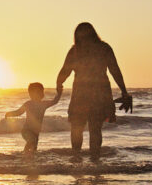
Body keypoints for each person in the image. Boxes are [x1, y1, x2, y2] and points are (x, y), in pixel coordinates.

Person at [56, 22, 131, 162]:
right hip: (98, 94)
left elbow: (64, 71)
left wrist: (59, 84)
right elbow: (115, 70)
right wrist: (124, 91)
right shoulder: (103, 48)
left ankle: (78, 157)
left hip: (83, 94)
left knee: (78, 127)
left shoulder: (76, 50)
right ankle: (93, 158)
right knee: (93, 129)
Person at [4, 82, 63, 159]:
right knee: (31, 141)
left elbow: (55, 101)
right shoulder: (28, 104)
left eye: (41, 91)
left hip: (36, 132)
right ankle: (24, 155)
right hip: (26, 131)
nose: (40, 93)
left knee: (34, 149)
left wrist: (59, 93)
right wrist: (9, 114)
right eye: (37, 92)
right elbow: (19, 112)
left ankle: (29, 161)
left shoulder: (44, 104)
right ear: (30, 94)